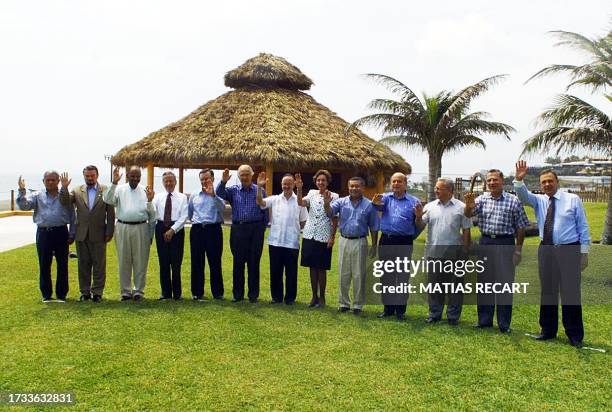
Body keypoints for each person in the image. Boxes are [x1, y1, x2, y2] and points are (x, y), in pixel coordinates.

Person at [514, 160, 590, 347]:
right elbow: (523, 196)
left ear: (557, 182)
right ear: (541, 185)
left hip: (569, 250)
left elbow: (583, 227)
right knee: (548, 291)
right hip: (546, 250)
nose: (547, 184)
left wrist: (584, 253)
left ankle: (574, 335)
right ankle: (547, 330)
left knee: (570, 292)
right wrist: (519, 180)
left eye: (550, 181)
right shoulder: (539, 200)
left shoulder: (573, 200)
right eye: (543, 182)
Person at [464, 169, 529, 333]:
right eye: (489, 180)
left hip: (505, 243)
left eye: (495, 180)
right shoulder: (481, 199)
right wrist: (468, 206)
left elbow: (521, 227)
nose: (492, 183)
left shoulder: (513, 201)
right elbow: (468, 214)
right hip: (485, 242)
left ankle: (504, 324)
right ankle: (484, 320)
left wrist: (518, 250)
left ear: (502, 181)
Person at [416, 178, 472, 325]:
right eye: (436, 188)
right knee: (435, 286)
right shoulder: (430, 206)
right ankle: (435, 314)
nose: (436, 190)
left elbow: (466, 230)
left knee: (455, 286)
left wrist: (465, 251)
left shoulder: (462, 207)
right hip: (433, 252)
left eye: (439, 188)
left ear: (449, 190)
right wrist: (417, 216)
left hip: (455, 253)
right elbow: (421, 224)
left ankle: (453, 317)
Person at [59, 166, 115, 302]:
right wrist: (64, 188)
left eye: (92, 176)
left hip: (99, 234)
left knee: (99, 265)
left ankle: (97, 292)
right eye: (87, 176)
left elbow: (111, 213)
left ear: (97, 176)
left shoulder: (105, 190)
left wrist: (109, 231)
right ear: (84, 176)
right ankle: (84, 292)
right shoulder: (77, 190)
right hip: (81, 234)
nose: (90, 178)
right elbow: (65, 202)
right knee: (83, 264)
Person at [17, 171, 75, 302]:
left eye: (53, 180)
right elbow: (24, 206)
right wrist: (21, 190)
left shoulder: (65, 196)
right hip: (43, 233)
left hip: (61, 232)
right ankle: (46, 295)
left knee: (62, 264)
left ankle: (61, 294)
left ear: (58, 181)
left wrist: (72, 233)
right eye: (47, 180)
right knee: (44, 264)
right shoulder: (37, 195)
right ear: (43, 181)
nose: (50, 182)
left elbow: (72, 215)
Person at [325, 177, 379, 316]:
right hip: (344, 240)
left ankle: (357, 305)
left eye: (357, 186)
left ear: (363, 187)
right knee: (344, 273)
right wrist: (326, 204)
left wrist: (374, 245)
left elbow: (374, 226)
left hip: (360, 241)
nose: (354, 188)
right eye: (351, 186)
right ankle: (343, 303)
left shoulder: (369, 205)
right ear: (348, 187)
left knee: (359, 274)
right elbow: (330, 213)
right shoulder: (341, 202)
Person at [371, 172, 421, 320]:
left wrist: (418, 216)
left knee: (402, 276)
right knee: (387, 276)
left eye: (399, 181)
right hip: (386, 240)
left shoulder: (414, 201)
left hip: (404, 241)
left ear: (405, 184)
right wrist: (375, 204)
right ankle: (388, 308)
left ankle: (400, 310)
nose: (396, 184)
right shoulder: (384, 198)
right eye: (393, 182)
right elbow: (377, 208)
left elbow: (419, 224)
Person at [103, 166, 156, 301]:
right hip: (122, 227)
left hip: (141, 227)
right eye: (133, 176)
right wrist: (114, 182)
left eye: (138, 176)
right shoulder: (120, 189)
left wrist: (150, 201)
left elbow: (153, 215)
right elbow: (108, 200)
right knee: (124, 260)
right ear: (127, 176)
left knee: (140, 260)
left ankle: (138, 291)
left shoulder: (145, 190)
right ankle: (125, 291)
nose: (135, 179)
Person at [217, 165, 268, 303]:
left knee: (254, 263)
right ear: (238, 177)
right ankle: (238, 294)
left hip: (256, 230)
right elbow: (219, 194)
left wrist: (262, 228)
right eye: (242, 175)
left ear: (252, 175)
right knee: (238, 263)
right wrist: (223, 181)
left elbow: (265, 211)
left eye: (247, 174)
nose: (245, 177)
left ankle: (253, 295)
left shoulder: (260, 190)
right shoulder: (233, 191)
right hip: (238, 230)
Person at [257, 172, 308, 305]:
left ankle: (290, 298)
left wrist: (295, 229)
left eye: (289, 184)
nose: (286, 186)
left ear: (293, 185)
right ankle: (276, 297)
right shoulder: (274, 199)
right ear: (281, 185)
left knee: (291, 273)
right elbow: (261, 202)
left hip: (292, 242)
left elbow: (303, 221)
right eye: (284, 184)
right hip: (275, 241)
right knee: (275, 271)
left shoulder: (299, 202)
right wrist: (259, 188)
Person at [296, 170, 338, 308]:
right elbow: (301, 203)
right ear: (315, 181)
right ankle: (314, 296)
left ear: (328, 182)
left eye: (323, 180)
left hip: (324, 235)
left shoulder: (334, 196)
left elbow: (333, 217)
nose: (321, 182)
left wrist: (332, 237)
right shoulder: (311, 193)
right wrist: (299, 188)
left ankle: (322, 298)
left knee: (321, 268)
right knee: (312, 267)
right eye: (318, 180)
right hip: (309, 234)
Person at [189, 168, 226, 300]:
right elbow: (190, 212)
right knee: (197, 262)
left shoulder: (219, 194)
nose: (204, 181)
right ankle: (197, 292)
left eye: (207, 178)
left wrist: (213, 196)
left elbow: (223, 209)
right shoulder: (194, 195)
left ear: (212, 179)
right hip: (197, 230)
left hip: (214, 230)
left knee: (215, 262)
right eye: (202, 179)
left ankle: (217, 293)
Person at [152, 171, 188, 300]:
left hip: (176, 230)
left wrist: (172, 230)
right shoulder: (157, 197)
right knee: (164, 262)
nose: (168, 183)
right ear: (162, 183)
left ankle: (177, 293)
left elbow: (184, 217)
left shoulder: (182, 197)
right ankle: (166, 293)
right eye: (166, 181)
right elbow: (152, 213)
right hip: (161, 227)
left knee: (176, 263)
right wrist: (149, 201)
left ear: (175, 182)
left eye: (171, 180)